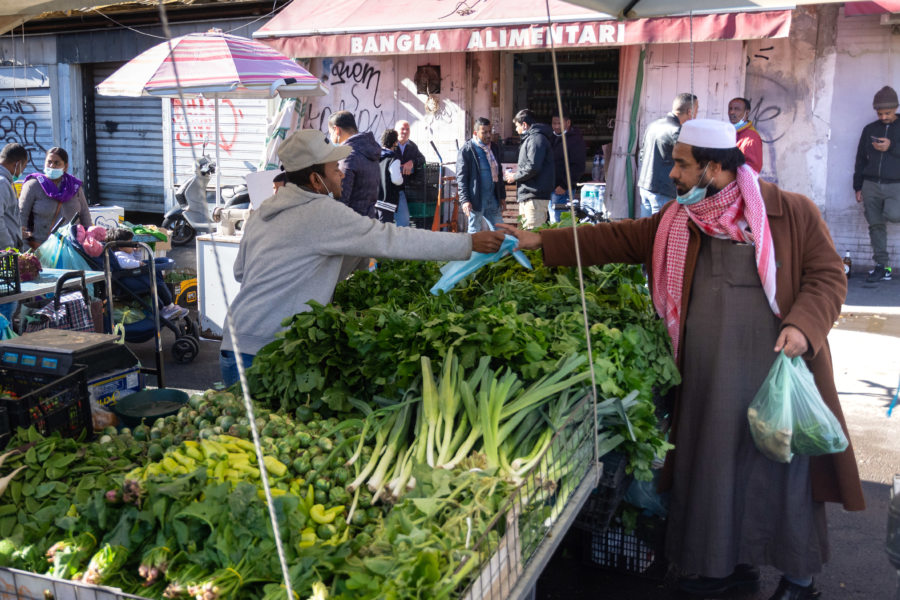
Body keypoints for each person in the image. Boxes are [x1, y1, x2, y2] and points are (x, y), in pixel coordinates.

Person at [501, 119, 865, 600]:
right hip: (707, 386)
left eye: (681, 164)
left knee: (782, 480)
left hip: (775, 382)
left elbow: (827, 275)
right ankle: (722, 569)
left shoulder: (790, 213)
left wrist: (803, 324)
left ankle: (799, 582)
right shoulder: (678, 220)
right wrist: (541, 241)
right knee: (711, 475)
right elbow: (616, 239)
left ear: (714, 168)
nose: (671, 173)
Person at [219, 129, 506, 386]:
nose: (342, 173)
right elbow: (393, 239)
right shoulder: (324, 212)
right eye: (335, 169)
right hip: (267, 351)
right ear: (315, 179)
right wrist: (467, 243)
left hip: (234, 340)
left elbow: (241, 272)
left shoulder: (264, 210)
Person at [854, 85, 900, 283]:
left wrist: (892, 147)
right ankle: (882, 266)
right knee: (875, 226)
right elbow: (860, 159)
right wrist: (857, 186)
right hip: (870, 184)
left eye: (887, 112)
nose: (883, 117)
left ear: (896, 107)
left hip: (895, 185)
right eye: (880, 113)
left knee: (893, 214)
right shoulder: (869, 129)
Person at [638, 93, 698, 217]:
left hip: (645, 185)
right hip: (663, 190)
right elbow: (687, 162)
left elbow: (642, 155)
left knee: (645, 230)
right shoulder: (677, 130)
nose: (696, 115)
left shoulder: (653, 125)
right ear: (690, 111)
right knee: (659, 230)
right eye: (697, 110)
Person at [108, 228, 188, 321]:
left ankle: (168, 308)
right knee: (157, 285)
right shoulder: (119, 254)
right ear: (121, 246)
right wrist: (138, 264)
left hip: (135, 278)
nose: (133, 245)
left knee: (156, 284)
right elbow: (125, 263)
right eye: (130, 243)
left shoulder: (125, 253)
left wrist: (137, 252)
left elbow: (135, 260)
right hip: (132, 281)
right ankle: (167, 307)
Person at [19, 147, 91, 248]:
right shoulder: (33, 185)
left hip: (72, 248)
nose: (52, 166)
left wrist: (89, 243)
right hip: (41, 248)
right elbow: (21, 216)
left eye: (57, 163)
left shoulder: (74, 187)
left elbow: (85, 217)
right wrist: (25, 247)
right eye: (49, 162)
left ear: (65, 166)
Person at [503, 109, 554, 229]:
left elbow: (533, 166)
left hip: (534, 197)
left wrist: (514, 176)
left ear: (524, 125)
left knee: (533, 234)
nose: (516, 130)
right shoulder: (532, 139)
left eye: (517, 126)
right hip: (528, 196)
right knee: (526, 235)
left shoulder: (536, 139)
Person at [328, 111, 381, 218]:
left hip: (352, 225)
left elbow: (341, 199)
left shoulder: (347, 156)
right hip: (369, 220)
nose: (330, 137)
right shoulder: (370, 150)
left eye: (330, 133)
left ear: (336, 130)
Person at [456, 117, 505, 233]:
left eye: (490, 132)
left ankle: (499, 252)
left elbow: (499, 173)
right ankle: (472, 252)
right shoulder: (467, 150)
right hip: (476, 199)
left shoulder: (494, 148)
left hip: (493, 198)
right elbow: (461, 178)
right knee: (474, 233)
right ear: (475, 133)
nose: (489, 135)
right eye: (484, 132)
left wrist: (502, 196)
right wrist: (465, 200)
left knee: (500, 232)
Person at [549, 109, 586, 223]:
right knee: (553, 221)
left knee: (560, 222)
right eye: (554, 123)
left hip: (563, 189)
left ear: (568, 123)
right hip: (552, 188)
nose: (556, 126)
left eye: (559, 123)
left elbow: (578, 166)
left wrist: (564, 185)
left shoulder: (575, 140)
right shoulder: (553, 137)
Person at [393, 120, 426, 227]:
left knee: (403, 223)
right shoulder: (390, 144)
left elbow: (422, 159)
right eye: (402, 129)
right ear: (395, 131)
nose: (405, 132)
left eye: (407, 129)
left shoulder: (412, 146)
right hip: (390, 189)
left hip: (406, 189)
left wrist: (413, 162)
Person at [0, 143, 27, 251]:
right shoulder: (2, 184)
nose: (22, 171)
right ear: (18, 164)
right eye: (23, 167)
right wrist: (9, 248)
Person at [728, 97, 764, 173]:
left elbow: (752, 170)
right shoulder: (730, 132)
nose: (731, 112)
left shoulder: (751, 138)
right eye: (730, 109)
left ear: (746, 113)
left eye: (737, 109)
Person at [376, 128, 404, 224]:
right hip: (386, 201)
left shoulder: (376, 155)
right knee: (385, 229)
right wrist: (402, 178)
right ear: (395, 143)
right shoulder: (393, 158)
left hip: (374, 199)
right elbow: (396, 180)